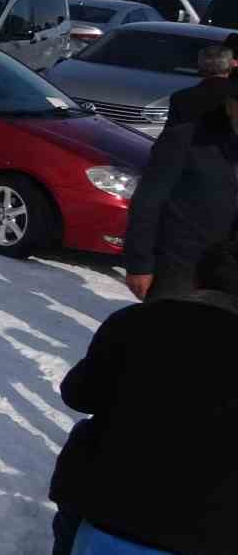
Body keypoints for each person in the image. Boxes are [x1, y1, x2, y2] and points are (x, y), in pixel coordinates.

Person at [49, 239, 238, 555]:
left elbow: (77, 395)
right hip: (214, 532)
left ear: (197, 280)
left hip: (106, 507)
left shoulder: (134, 321)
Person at [122, 78, 238, 301]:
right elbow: (147, 201)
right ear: (230, 105)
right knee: (170, 330)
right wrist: (139, 264)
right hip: (178, 265)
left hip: (228, 268)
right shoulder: (185, 138)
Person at [167, 45, 234, 126]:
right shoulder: (234, 95)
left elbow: (171, 135)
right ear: (231, 67)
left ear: (200, 68)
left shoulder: (180, 97)